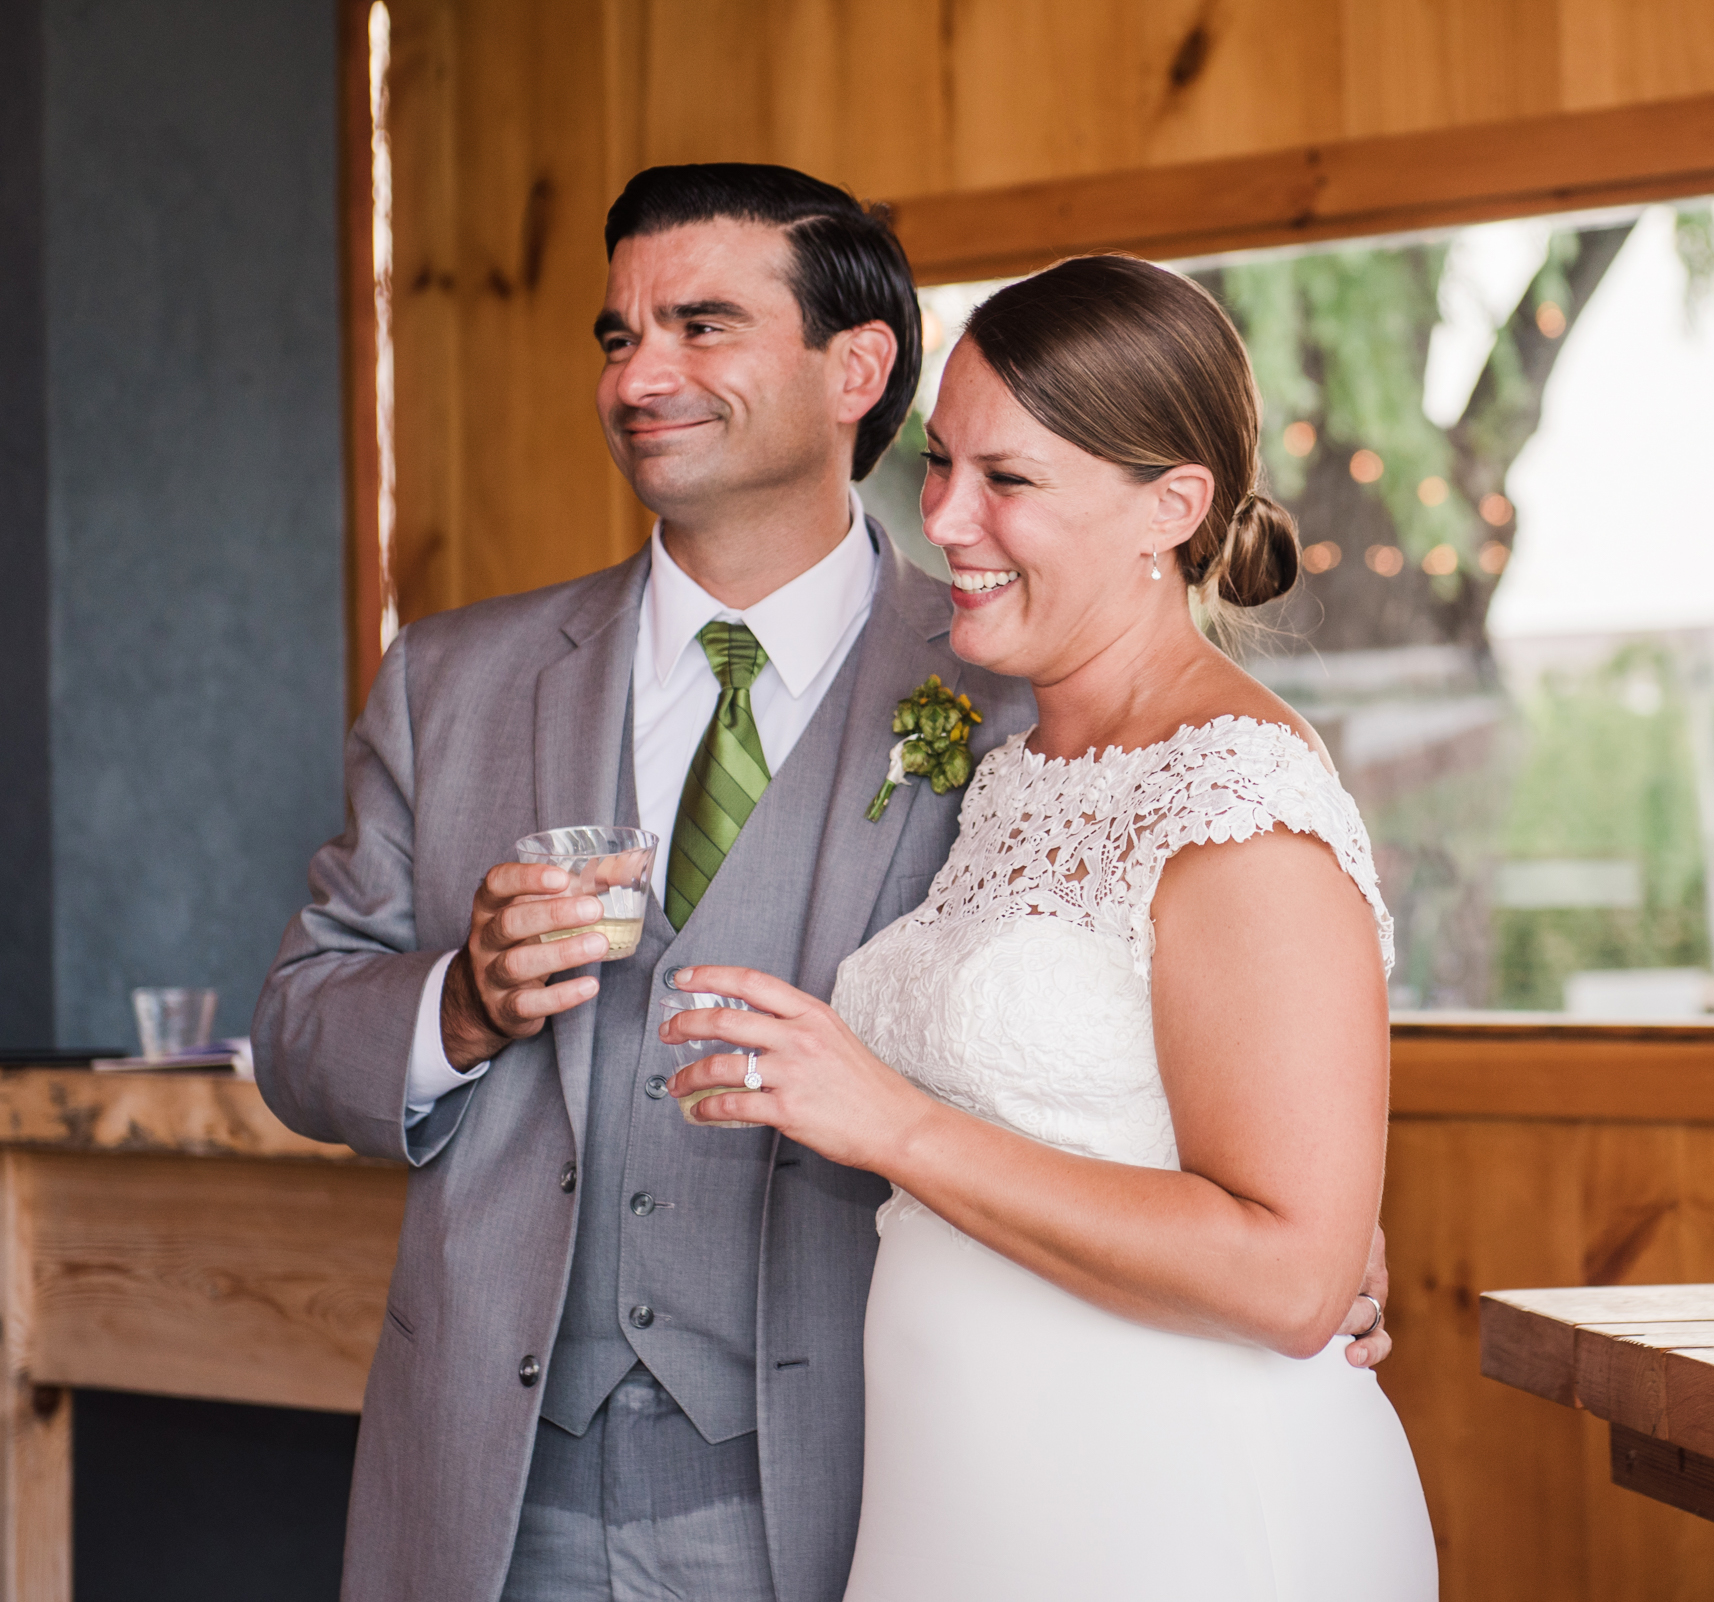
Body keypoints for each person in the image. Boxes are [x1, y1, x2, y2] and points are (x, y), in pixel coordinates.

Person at [253, 166, 1396, 1602]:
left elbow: (1222, 1084)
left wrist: (1314, 1227)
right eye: (619, 336)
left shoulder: (1017, 687)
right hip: (495, 1487)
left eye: (701, 324)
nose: (641, 375)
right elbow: (294, 1027)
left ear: (857, 367)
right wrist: (460, 1005)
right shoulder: (454, 683)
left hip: (852, 1486)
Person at [662, 254, 1439, 1600]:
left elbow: (1293, 1273)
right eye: (943, 463)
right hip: (972, 1504)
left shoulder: (1239, 802)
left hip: (1180, 1511)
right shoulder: (1021, 758)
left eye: (1008, 481)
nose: (947, 517)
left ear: (1172, 507)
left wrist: (887, 1120)